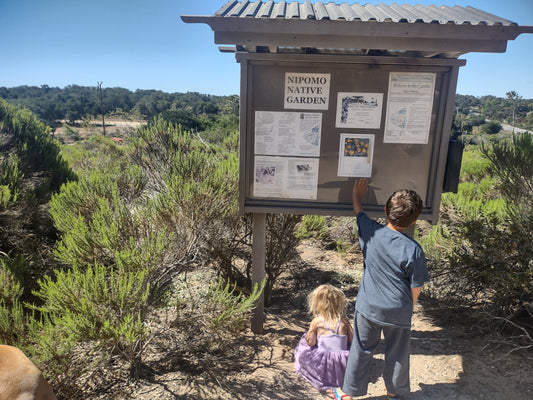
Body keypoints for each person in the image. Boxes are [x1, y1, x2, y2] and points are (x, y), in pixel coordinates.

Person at [332, 178, 430, 400]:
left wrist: (357, 195)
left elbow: (359, 213)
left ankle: (348, 392)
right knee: (397, 353)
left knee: (361, 349)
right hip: (398, 311)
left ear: (386, 210)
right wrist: (408, 307)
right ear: (415, 219)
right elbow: (416, 285)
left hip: (369, 307)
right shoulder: (413, 249)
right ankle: (395, 392)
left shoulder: (370, 231)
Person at [294, 284, 353, 396]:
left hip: (324, 361)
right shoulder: (344, 321)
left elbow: (311, 342)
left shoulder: (317, 321)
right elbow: (352, 340)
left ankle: (329, 387)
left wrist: (310, 335)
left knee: (304, 348)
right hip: (343, 360)